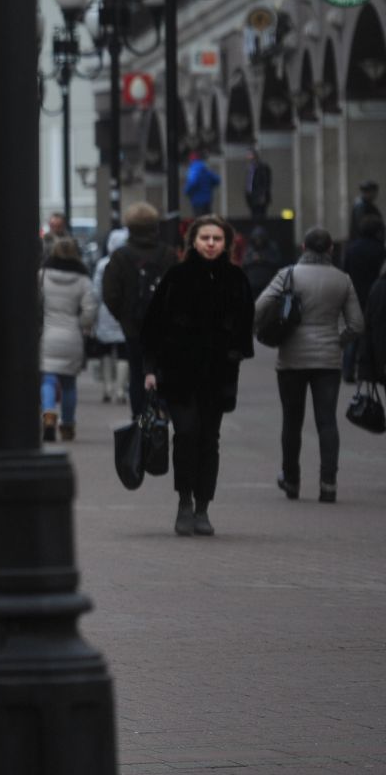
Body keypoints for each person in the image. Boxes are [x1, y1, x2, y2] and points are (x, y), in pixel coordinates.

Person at [138, 215, 255, 537]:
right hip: (179, 372)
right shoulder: (176, 277)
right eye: (205, 238)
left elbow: (246, 326)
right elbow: (152, 327)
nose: (211, 244)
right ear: (194, 241)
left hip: (218, 374)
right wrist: (150, 370)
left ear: (226, 243)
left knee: (209, 439)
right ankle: (184, 501)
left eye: (217, 238)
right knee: (186, 434)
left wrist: (235, 352)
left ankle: (203, 505)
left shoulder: (236, 279)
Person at [258, 228, 365, 504]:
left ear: (303, 246)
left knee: (291, 422)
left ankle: (291, 480)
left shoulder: (288, 275)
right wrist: (337, 341)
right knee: (327, 421)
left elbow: (259, 307)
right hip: (328, 360)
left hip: (291, 358)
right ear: (331, 249)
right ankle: (328, 483)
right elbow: (356, 325)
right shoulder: (343, 280)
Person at [102, 202, 178, 417]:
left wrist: (124, 316)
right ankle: (161, 413)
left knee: (137, 372)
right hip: (163, 327)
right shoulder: (168, 255)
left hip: (133, 327)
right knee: (163, 370)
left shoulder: (120, 257)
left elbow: (110, 293)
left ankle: (139, 418)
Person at [38, 238, 100, 442]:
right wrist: (80, 322)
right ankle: (67, 424)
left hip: (47, 333)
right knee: (69, 384)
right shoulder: (83, 280)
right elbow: (90, 311)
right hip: (72, 335)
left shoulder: (42, 275)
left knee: (47, 378)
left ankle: (48, 413)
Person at [340, 216, 384, 383]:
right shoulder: (380, 249)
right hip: (375, 296)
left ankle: (348, 369)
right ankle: (372, 369)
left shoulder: (352, 249)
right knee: (373, 333)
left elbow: (345, 272)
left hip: (355, 294)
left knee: (354, 334)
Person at [90, 228, 131, 404]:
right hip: (125, 312)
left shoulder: (102, 264)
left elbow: (96, 291)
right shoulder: (131, 263)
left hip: (105, 312)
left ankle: (107, 387)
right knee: (123, 352)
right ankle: (121, 390)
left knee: (105, 350)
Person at [183, 151, 220, 216]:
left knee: (199, 221)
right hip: (208, 200)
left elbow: (192, 182)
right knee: (207, 220)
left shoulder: (194, 169)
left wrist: (187, 191)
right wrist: (209, 187)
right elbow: (217, 180)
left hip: (197, 201)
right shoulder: (205, 169)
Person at [244, 148, 273, 220]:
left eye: (250, 155)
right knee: (254, 215)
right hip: (251, 196)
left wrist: (263, 195)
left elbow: (265, 182)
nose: (248, 157)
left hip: (260, 196)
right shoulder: (250, 168)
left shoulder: (262, 167)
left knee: (261, 215)